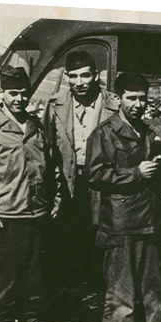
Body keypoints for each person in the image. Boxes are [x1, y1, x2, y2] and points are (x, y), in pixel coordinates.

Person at [0, 66, 60, 322]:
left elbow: (52, 168)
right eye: (13, 93)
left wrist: (54, 201)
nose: (19, 99)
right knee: (2, 295)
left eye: (24, 93)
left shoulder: (36, 127)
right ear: (1, 93)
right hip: (5, 222)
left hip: (36, 219)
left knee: (34, 294)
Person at [86, 72, 161, 322]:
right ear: (118, 98)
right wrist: (137, 173)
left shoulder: (146, 132)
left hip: (147, 223)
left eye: (143, 99)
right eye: (131, 98)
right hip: (120, 226)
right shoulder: (105, 133)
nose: (138, 105)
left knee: (154, 300)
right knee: (122, 302)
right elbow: (96, 175)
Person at [42, 51, 120, 292]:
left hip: (103, 184)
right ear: (66, 77)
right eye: (73, 77)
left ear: (96, 76)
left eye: (85, 76)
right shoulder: (56, 105)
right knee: (68, 246)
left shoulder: (114, 105)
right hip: (69, 186)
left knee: (100, 244)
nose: (79, 82)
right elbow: (48, 150)